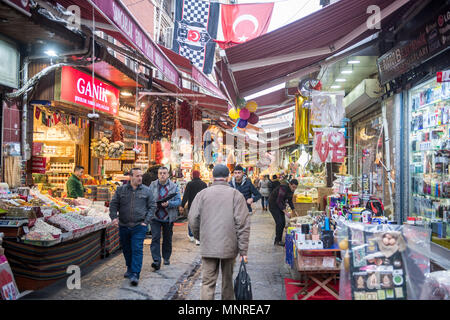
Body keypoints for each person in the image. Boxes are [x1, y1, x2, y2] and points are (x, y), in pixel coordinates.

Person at [189, 164, 250, 300]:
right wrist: (243, 251)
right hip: (229, 246)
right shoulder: (236, 195)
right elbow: (243, 225)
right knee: (227, 282)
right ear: (228, 177)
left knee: (207, 283)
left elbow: (193, 219)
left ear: (212, 176)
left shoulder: (202, 195)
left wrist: (201, 237)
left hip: (209, 246)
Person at [109, 168, 156, 286]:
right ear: (130, 177)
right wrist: (114, 217)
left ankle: (135, 273)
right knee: (126, 249)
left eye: (141, 176)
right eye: (137, 176)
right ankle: (129, 267)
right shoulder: (121, 190)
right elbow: (113, 204)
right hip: (124, 225)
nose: (140, 178)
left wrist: (146, 221)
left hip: (139, 225)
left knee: (137, 249)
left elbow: (152, 206)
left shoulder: (147, 191)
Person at [148, 166, 182, 270]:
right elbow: (148, 199)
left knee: (167, 239)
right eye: (160, 173)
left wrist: (169, 204)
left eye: (164, 173)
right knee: (155, 238)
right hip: (155, 217)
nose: (162, 175)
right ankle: (156, 260)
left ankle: (166, 257)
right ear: (158, 175)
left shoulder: (173, 186)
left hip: (168, 217)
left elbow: (178, 201)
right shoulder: (152, 185)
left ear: (168, 175)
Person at [179, 170, 207, 245]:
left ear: (192, 175)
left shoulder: (190, 184)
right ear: (199, 175)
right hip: (202, 205)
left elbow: (185, 195)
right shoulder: (204, 184)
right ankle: (199, 238)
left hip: (192, 205)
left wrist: (182, 205)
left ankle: (191, 235)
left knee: (191, 220)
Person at [268, 179, 299, 246]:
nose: (294, 189)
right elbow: (278, 201)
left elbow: (290, 200)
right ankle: (277, 241)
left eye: (295, 187)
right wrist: (286, 212)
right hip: (273, 205)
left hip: (280, 205)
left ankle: (279, 240)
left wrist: (294, 210)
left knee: (283, 222)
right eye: (293, 187)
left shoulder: (291, 191)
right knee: (279, 222)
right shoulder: (283, 188)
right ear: (290, 184)